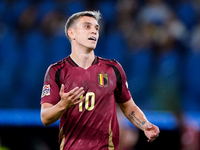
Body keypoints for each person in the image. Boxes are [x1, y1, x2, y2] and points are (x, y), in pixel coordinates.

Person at [40, 10, 160, 150]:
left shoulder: (113, 69)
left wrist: (144, 124)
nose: (94, 31)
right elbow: (45, 118)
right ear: (71, 33)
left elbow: (129, 107)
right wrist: (63, 105)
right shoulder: (57, 71)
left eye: (96, 28)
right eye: (87, 27)